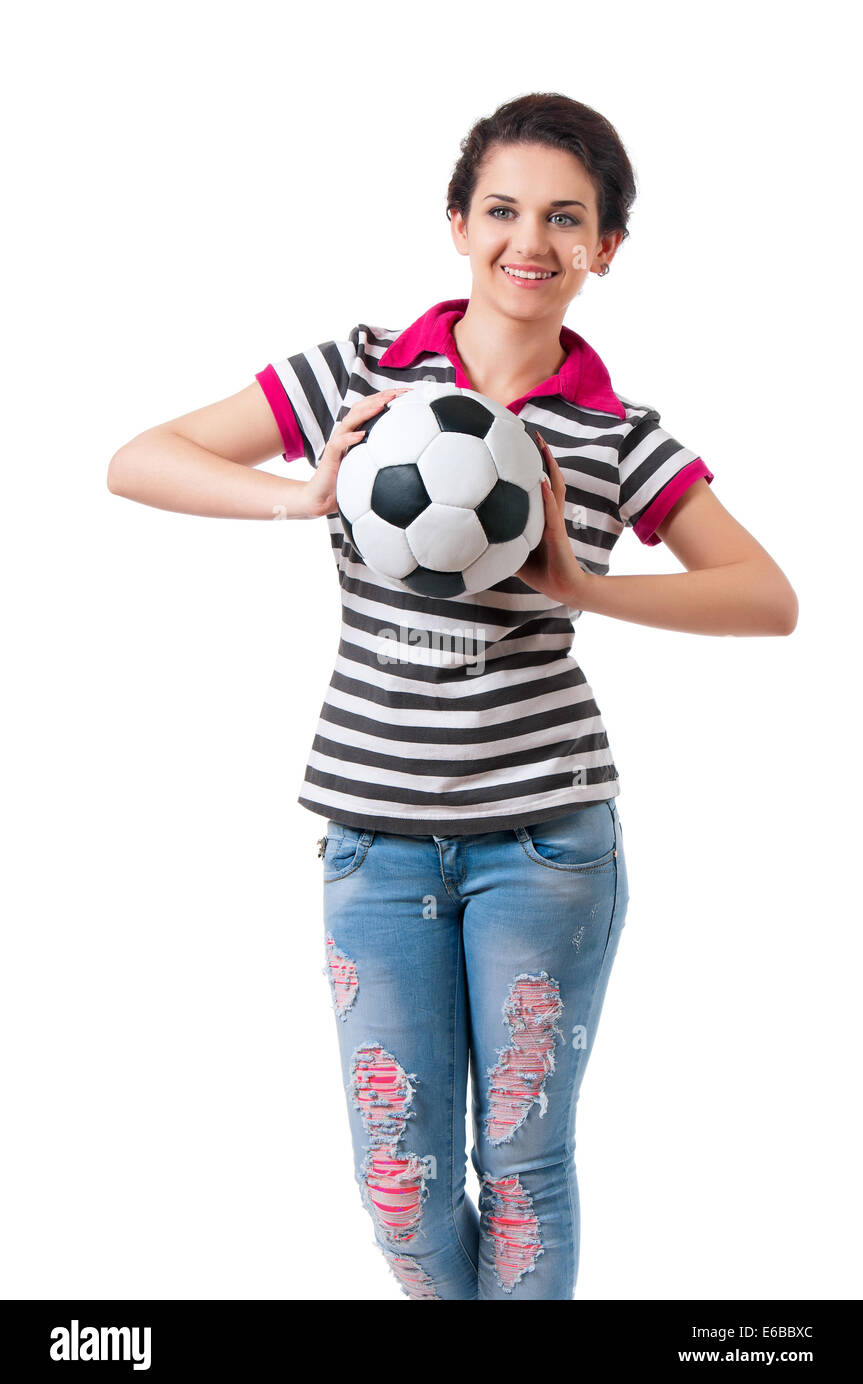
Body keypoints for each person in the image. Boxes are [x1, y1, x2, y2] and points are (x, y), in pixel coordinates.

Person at [107, 93, 798, 1300]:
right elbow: (139, 458)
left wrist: (584, 581)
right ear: (456, 222)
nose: (527, 241)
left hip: (545, 843)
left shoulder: (615, 431)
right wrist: (309, 494)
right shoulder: (359, 377)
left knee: (524, 1167)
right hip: (371, 845)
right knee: (398, 1178)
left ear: (604, 250)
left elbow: (766, 595)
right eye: (501, 209)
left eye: (564, 219)